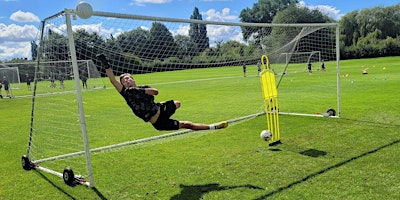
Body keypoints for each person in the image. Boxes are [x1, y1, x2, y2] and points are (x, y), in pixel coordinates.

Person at [96, 54, 228, 131]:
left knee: (177, 103)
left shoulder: (142, 88)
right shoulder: (126, 93)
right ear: (123, 84)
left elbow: (155, 92)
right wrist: (106, 65)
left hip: (161, 110)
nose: (127, 80)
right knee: (185, 124)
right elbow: (113, 80)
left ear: (133, 79)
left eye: (129, 78)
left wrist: (139, 90)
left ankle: (213, 127)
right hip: (158, 122)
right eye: (124, 80)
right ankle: (213, 127)